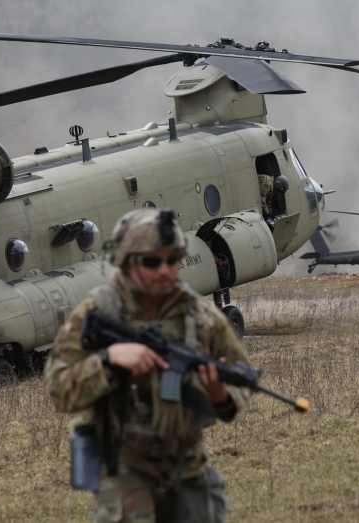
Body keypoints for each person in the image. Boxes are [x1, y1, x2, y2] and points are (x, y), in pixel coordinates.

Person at [46, 208, 251, 523]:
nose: (165, 270)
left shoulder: (200, 316)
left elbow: (239, 375)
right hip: (123, 468)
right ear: (128, 262)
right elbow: (59, 389)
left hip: (186, 464)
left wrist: (220, 395)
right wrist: (109, 361)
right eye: (153, 262)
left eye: (172, 260)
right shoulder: (100, 312)